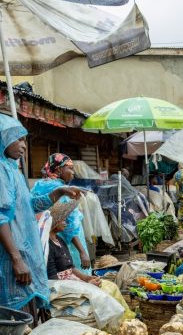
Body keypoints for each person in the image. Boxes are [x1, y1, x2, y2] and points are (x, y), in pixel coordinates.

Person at [46, 201, 134, 321]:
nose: (66, 223)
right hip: (63, 288)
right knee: (104, 293)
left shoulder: (60, 241)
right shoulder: (47, 245)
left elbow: (71, 268)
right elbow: (53, 281)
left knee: (111, 286)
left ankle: (125, 319)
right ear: (54, 222)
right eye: (63, 220)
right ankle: (115, 322)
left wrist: (87, 278)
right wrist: (84, 285)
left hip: (73, 281)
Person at [0, 115, 50, 317]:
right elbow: (1, 217)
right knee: (13, 315)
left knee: (24, 316)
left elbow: (28, 207)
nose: (23, 146)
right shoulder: (1, 171)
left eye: (24, 140)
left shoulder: (13, 170)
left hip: (24, 254)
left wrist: (59, 193)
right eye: (17, 139)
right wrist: (16, 258)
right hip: (10, 256)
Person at [30, 153, 91, 273]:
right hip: (64, 243)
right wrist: (82, 252)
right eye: (70, 168)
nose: (73, 173)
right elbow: (70, 225)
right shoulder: (60, 190)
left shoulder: (40, 185)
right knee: (71, 276)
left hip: (45, 242)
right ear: (58, 169)